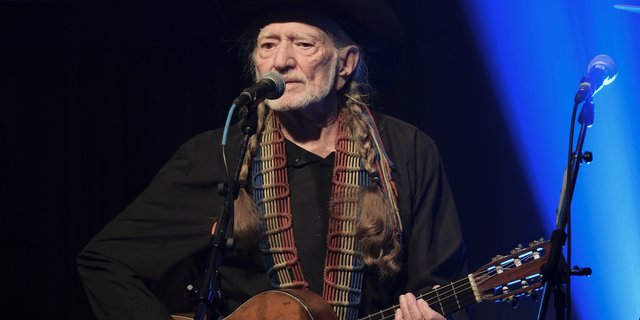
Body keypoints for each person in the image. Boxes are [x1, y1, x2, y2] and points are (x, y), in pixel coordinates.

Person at [77, 1, 467, 320]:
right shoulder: (217, 155)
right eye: (268, 45)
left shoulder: (406, 150)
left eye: (303, 44)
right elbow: (105, 262)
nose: (280, 61)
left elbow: (440, 280)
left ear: (345, 64)